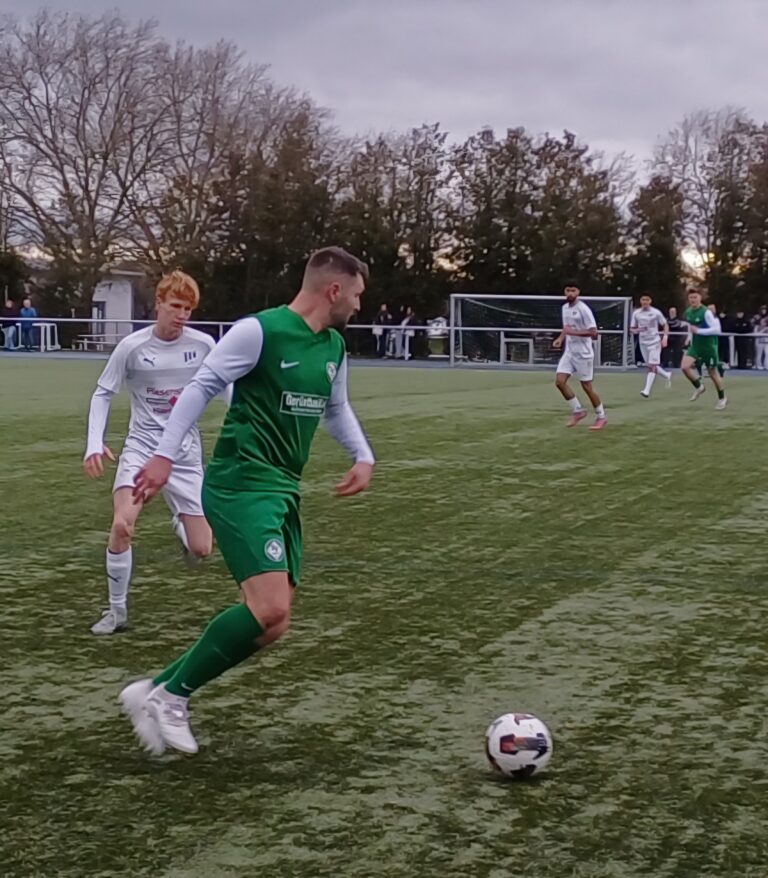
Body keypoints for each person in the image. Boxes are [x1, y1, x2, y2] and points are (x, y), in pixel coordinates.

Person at [121, 246, 376, 756]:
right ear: (334, 289)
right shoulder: (258, 331)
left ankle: (152, 690)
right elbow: (201, 388)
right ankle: (173, 695)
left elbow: (336, 407)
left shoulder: (333, 348)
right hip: (242, 482)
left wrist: (363, 456)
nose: (360, 305)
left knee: (274, 624)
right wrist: (164, 456)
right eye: (357, 294)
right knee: (268, 606)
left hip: (282, 488)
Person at [83, 271, 220, 635]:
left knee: (202, 549)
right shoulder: (132, 347)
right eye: (175, 306)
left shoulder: (204, 345)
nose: (182, 315)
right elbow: (103, 393)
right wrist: (94, 442)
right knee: (122, 525)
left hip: (184, 457)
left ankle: (181, 525)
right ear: (158, 304)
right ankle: (117, 612)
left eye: (188, 308)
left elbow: (229, 386)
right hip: (142, 450)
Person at [552, 282, 607, 430]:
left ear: (578, 292)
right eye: (567, 290)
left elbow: (594, 333)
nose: (570, 293)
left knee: (587, 387)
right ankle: (578, 410)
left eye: (573, 290)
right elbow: (567, 327)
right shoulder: (564, 308)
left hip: (584, 354)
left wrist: (573, 333)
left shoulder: (584, 309)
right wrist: (561, 338)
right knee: (559, 381)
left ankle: (601, 416)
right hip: (570, 352)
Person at [681, 289, 727, 410]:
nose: (693, 300)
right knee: (684, 367)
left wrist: (699, 331)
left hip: (709, 346)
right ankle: (699, 387)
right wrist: (688, 338)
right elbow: (691, 328)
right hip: (696, 346)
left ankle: (722, 398)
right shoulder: (688, 312)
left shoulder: (706, 312)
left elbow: (717, 330)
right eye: (691, 298)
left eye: (695, 297)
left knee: (713, 373)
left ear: (700, 298)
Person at [630, 294, 672, 398]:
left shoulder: (656, 312)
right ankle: (667, 375)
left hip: (654, 342)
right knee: (650, 365)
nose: (645, 302)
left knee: (652, 366)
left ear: (650, 301)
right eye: (643, 299)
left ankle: (646, 390)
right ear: (640, 301)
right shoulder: (636, 313)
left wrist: (665, 338)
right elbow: (632, 329)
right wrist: (638, 330)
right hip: (643, 342)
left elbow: (665, 325)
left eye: (647, 299)